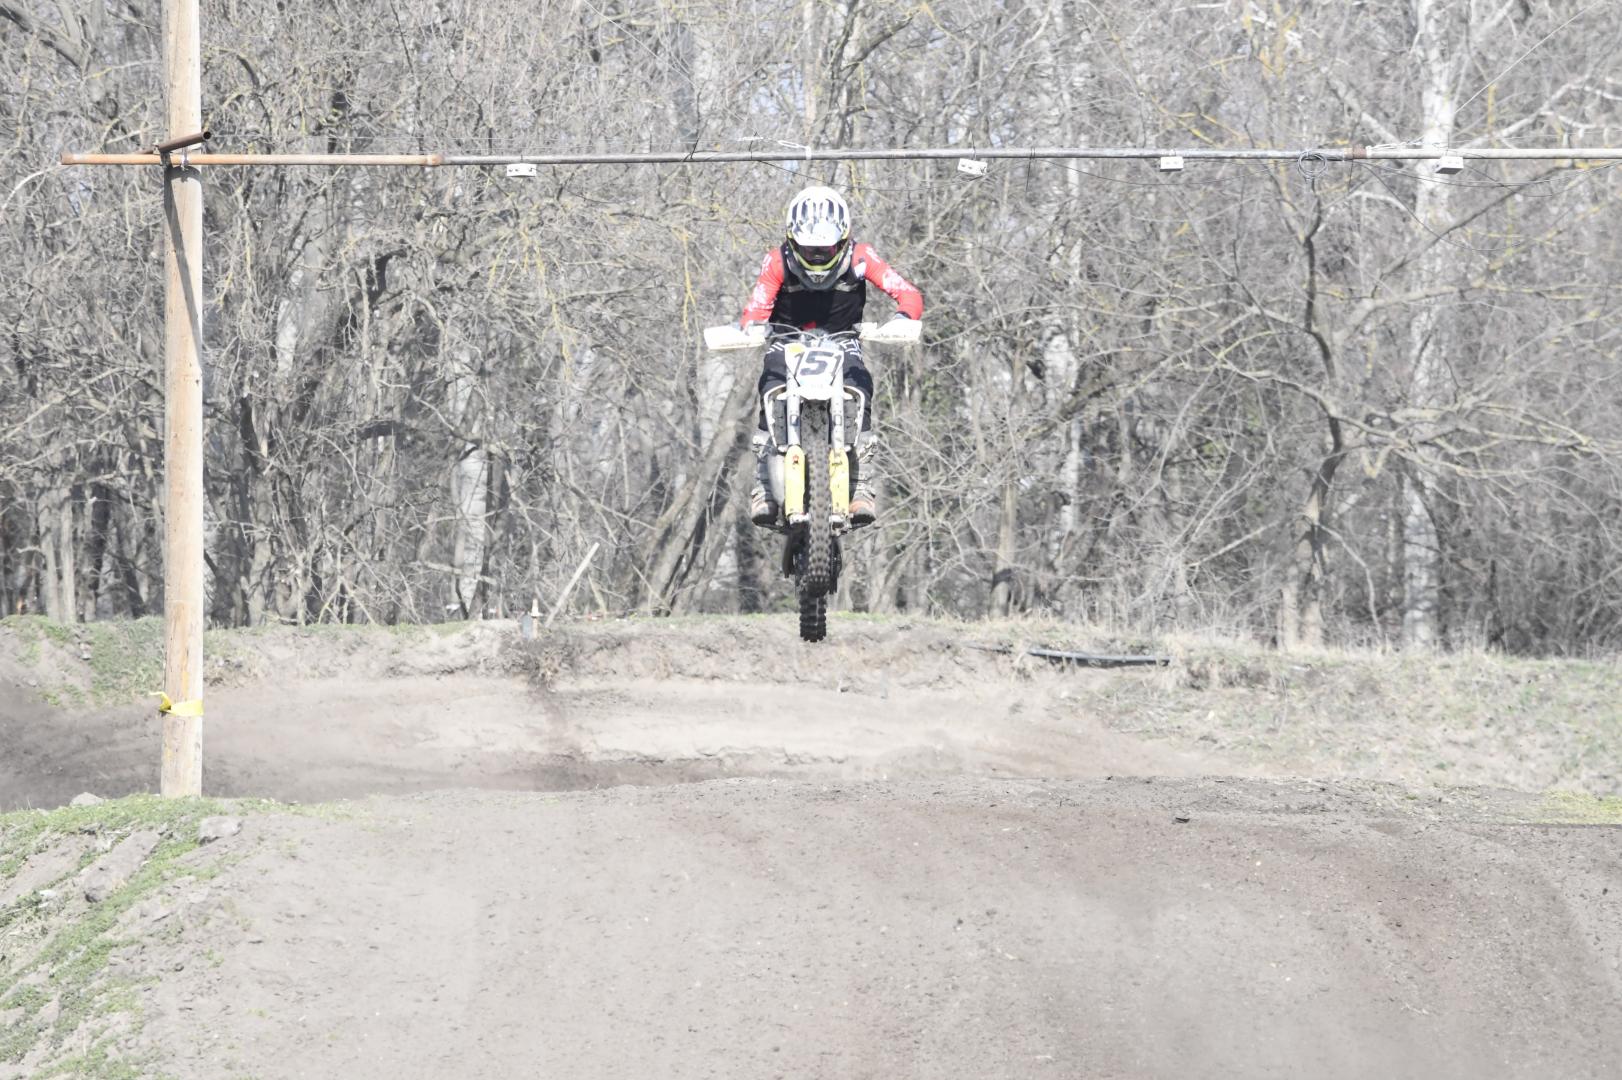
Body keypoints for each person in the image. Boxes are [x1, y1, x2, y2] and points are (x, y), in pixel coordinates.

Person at [738, 185, 923, 528]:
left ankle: (860, 482)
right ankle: (763, 485)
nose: (818, 257)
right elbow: (756, 307)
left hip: (843, 341)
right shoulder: (777, 261)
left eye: (825, 249)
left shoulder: (862, 257)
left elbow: (908, 294)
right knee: (769, 388)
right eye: (810, 249)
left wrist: (902, 319)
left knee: (861, 387)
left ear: (843, 240)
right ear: (793, 241)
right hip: (787, 340)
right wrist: (750, 327)